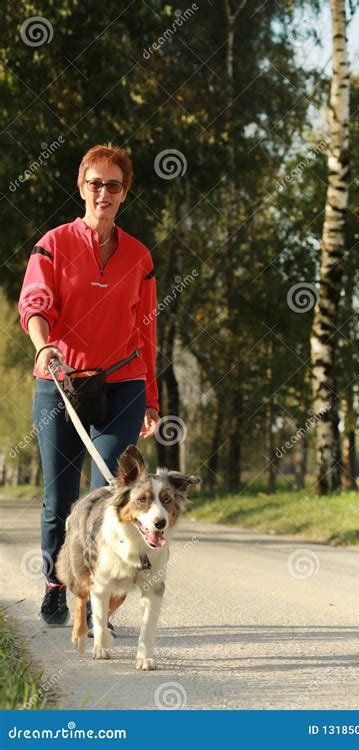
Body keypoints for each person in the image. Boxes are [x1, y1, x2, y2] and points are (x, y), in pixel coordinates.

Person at [18, 144, 159, 628]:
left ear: (124, 194)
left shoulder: (139, 256)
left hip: (122, 384)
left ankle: (97, 599)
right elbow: (34, 303)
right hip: (61, 383)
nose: (103, 191)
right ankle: (57, 586)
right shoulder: (53, 244)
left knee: (105, 498)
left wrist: (151, 399)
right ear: (81, 187)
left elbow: (147, 332)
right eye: (95, 182)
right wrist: (42, 346)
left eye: (113, 184)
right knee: (60, 499)